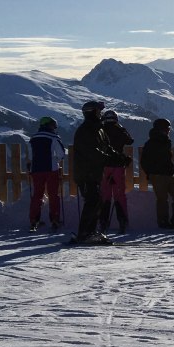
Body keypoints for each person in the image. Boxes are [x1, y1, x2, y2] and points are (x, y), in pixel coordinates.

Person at [72, 100, 129, 244]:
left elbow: (107, 147)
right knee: (93, 201)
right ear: (92, 112)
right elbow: (92, 152)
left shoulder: (99, 129)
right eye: (98, 111)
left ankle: (89, 232)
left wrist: (119, 157)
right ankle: (85, 233)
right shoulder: (85, 131)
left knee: (96, 201)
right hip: (85, 173)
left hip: (94, 173)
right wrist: (112, 159)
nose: (100, 113)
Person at [140, 118, 174, 229]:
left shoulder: (163, 141)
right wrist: (152, 172)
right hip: (158, 175)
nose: (169, 130)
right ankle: (165, 221)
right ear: (161, 129)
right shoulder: (154, 143)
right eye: (167, 128)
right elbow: (145, 161)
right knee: (164, 198)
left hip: (167, 174)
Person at [99, 109, 134, 233]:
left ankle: (103, 222)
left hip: (103, 167)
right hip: (118, 166)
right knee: (119, 195)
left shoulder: (101, 131)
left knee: (105, 195)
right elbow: (130, 140)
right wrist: (121, 128)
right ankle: (123, 221)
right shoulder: (119, 130)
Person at [27, 117, 65, 231]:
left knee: (37, 195)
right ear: (49, 126)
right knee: (53, 195)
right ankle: (55, 220)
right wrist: (56, 161)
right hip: (51, 169)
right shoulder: (53, 137)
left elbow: (30, 155)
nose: (54, 128)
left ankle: (34, 220)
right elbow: (61, 154)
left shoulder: (33, 138)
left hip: (36, 169)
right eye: (53, 125)